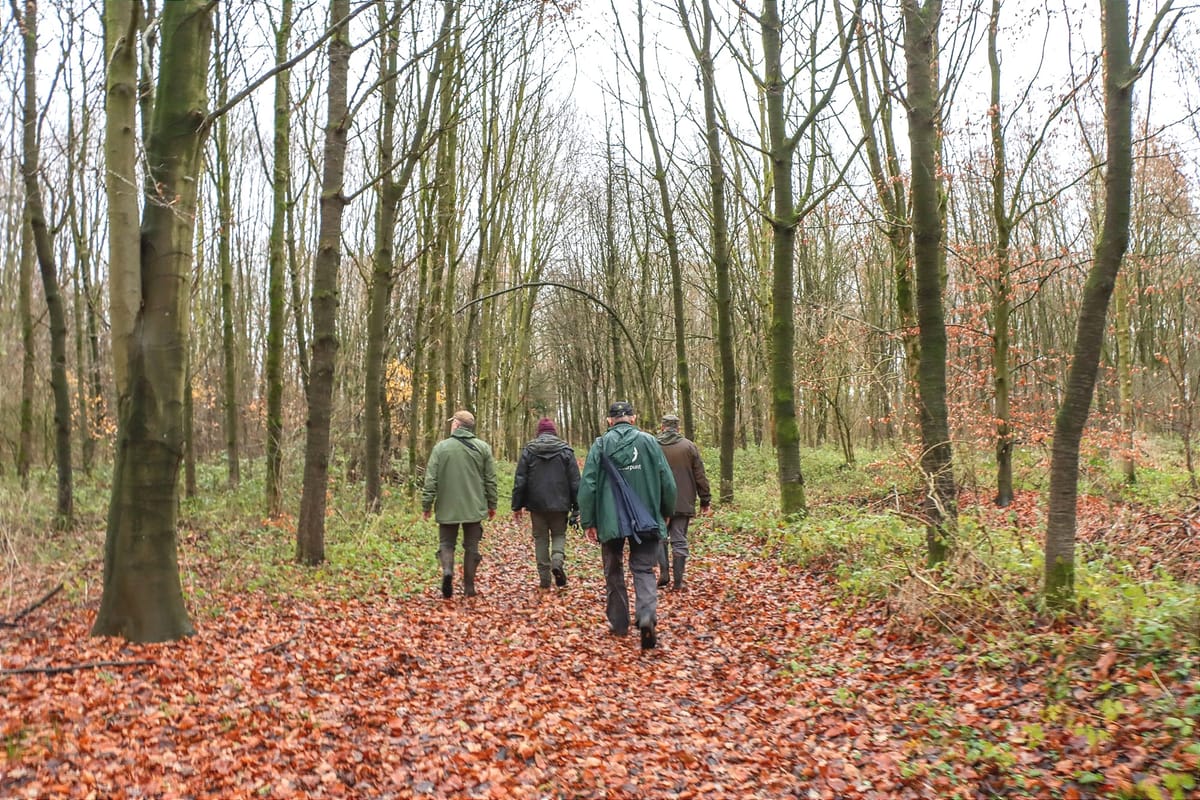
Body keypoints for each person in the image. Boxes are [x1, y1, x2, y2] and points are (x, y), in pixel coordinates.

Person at [577, 400, 676, 649]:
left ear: (610, 421)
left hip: (609, 519)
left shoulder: (600, 445)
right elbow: (667, 480)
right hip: (646, 518)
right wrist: (666, 511)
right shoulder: (650, 442)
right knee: (643, 569)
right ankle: (645, 615)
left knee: (613, 569)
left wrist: (589, 521)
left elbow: (588, 485)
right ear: (633, 418)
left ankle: (619, 624)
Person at [422, 410, 497, 599]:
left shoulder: (441, 448)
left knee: (446, 543)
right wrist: (492, 504)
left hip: (447, 506)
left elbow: (431, 480)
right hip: (474, 506)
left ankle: (448, 571)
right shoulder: (483, 448)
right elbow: (490, 480)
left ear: (456, 425)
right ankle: (469, 587)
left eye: (452, 422)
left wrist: (427, 505)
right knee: (472, 547)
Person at [512, 417, 581, 590]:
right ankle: (557, 561)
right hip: (560, 504)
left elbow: (520, 480)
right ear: (554, 431)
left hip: (536, 505)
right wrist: (577, 506)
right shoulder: (566, 451)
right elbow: (575, 481)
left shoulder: (529, 451)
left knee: (540, 539)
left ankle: (544, 580)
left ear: (539, 432)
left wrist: (517, 506)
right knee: (559, 535)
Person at [655, 413, 711, 590]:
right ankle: (678, 583)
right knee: (679, 539)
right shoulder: (689, 446)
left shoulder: (653, 445)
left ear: (662, 427)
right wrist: (705, 499)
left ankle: (664, 572)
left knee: (660, 536)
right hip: (683, 501)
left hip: (658, 501)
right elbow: (699, 475)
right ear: (678, 428)